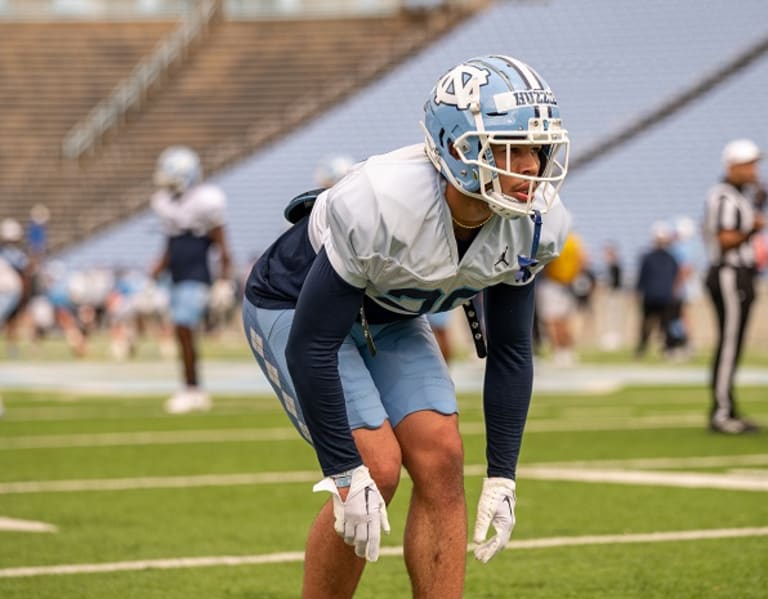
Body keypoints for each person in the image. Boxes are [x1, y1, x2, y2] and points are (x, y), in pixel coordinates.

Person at [242, 55, 570, 598]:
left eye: (537, 148)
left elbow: (511, 350)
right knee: (377, 468)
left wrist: (503, 473)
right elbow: (313, 344)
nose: (532, 166)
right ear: (460, 149)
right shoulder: (382, 199)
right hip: (295, 306)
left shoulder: (537, 222)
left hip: (390, 314)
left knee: (442, 458)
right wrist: (345, 473)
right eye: (513, 147)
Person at [150, 145, 232, 414]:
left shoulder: (206, 201)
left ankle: (193, 388)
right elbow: (171, 244)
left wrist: (223, 279)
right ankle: (191, 387)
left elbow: (222, 245)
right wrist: (155, 272)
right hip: (177, 274)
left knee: (184, 327)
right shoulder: (167, 202)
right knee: (180, 332)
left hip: (197, 275)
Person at [703, 138, 765, 434]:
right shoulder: (723, 196)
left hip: (741, 274)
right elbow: (726, 239)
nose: (754, 170)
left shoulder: (742, 195)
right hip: (729, 273)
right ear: (733, 166)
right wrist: (752, 227)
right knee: (729, 344)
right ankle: (722, 412)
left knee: (734, 343)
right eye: (748, 164)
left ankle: (727, 407)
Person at [536, 229, 584, 366]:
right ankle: (566, 351)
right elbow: (582, 260)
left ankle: (560, 352)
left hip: (553, 284)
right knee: (563, 321)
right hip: (567, 285)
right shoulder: (574, 241)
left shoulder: (556, 240)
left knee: (553, 321)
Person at [635, 221, 680, 358]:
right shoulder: (652, 258)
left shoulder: (667, 258)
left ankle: (664, 348)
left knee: (663, 325)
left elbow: (674, 277)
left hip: (659, 296)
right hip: (656, 296)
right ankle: (646, 348)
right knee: (650, 324)